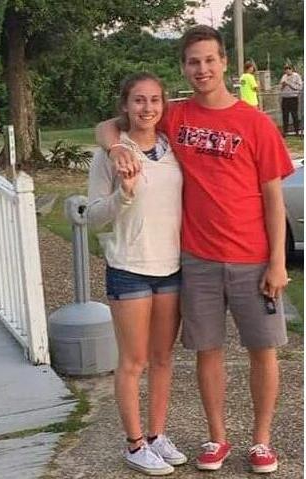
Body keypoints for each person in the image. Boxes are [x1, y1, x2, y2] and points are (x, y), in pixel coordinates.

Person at [96, 25, 293, 474]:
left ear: (224, 63)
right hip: (197, 259)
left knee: (263, 350)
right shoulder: (176, 116)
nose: (202, 69)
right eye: (193, 62)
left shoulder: (256, 123)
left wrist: (278, 261)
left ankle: (261, 441)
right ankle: (217, 438)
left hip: (252, 258)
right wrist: (114, 150)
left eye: (209, 60)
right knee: (208, 350)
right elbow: (110, 124)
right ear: (184, 68)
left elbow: (273, 197)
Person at [87, 72, 187, 476]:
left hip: (172, 267)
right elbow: (93, 217)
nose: (147, 108)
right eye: (139, 100)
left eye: (154, 100)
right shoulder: (111, 154)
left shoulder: (173, 147)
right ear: (125, 106)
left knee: (163, 358)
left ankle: (157, 435)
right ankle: (134, 443)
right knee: (134, 360)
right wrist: (123, 196)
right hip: (129, 268)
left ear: (164, 104)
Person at [280, 64, 303, 136]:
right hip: (285, 98)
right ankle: (285, 131)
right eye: (286, 69)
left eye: (289, 69)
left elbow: (299, 87)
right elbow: (280, 87)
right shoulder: (284, 76)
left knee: (294, 115)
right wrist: (283, 85)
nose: (287, 71)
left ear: (292, 69)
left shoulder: (296, 76)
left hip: (293, 98)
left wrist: (289, 84)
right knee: (285, 115)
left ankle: (297, 131)